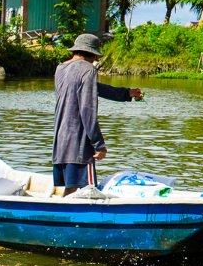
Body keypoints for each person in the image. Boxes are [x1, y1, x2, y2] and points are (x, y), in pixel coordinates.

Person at [52, 33, 143, 196]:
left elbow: (95, 88)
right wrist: (99, 144)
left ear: (75, 51)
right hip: (79, 141)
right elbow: (87, 109)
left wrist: (126, 93)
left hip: (61, 138)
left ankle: (65, 214)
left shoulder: (61, 68)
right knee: (80, 187)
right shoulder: (88, 69)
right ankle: (66, 216)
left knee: (71, 186)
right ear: (93, 54)